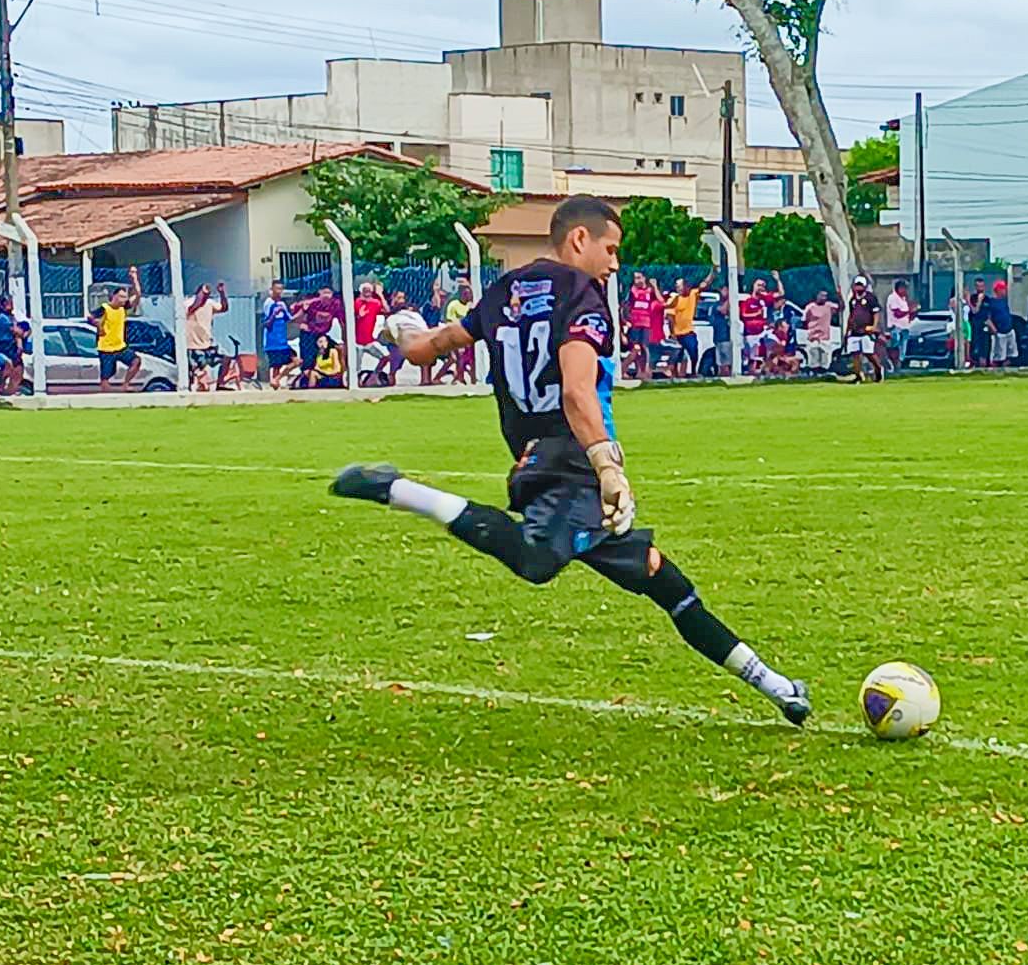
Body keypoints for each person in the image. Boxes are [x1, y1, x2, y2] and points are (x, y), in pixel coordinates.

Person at [330, 195, 811, 727]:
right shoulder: (582, 296)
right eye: (610, 248)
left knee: (659, 577)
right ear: (579, 240)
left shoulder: (506, 289)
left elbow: (432, 346)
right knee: (538, 561)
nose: (615, 263)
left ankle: (779, 687)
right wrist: (609, 468)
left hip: (536, 459)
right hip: (571, 461)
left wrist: (399, 331)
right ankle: (398, 490)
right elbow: (577, 392)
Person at [90, 268, 143, 391]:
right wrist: (99, 327)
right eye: (121, 296)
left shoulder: (122, 309)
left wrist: (134, 278)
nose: (124, 299)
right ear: (113, 296)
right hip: (106, 348)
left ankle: (125, 385)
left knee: (136, 361)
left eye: (125, 297)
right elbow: (90, 317)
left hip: (120, 346)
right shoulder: (105, 308)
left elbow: (138, 294)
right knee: (106, 378)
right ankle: (107, 397)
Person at [185, 282, 230, 391]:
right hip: (194, 345)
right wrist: (203, 295)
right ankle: (199, 384)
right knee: (203, 368)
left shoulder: (209, 303)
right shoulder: (188, 303)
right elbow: (193, 308)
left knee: (225, 360)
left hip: (207, 344)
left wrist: (222, 293)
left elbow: (224, 308)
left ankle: (220, 383)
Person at [666, 270, 712, 377]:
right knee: (677, 355)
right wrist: (672, 333)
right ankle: (674, 374)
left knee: (693, 351)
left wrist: (712, 272)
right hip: (677, 333)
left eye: (680, 286)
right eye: (677, 286)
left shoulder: (692, 294)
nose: (678, 288)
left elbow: (704, 285)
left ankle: (693, 372)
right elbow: (670, 317)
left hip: (688, 331)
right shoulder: (674, 299)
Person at [840, 275, 883, 383]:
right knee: (855, 354)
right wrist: (847, 331)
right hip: (855, 331)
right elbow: (852, 315)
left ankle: (878, 369)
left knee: (869, 353)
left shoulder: (870, 298)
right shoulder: (853, 300)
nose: (858, 288)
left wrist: (873, 326)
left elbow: (876, 313)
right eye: (856, 285)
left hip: (866, 330)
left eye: (860, 285)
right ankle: (858, 375)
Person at [292, 285, 344, 372]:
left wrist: (344, 337)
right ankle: (307, 376)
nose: (326, 295)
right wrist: (301, 322)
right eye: (324, 293)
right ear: (319, 293)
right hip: (309, 333)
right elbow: (294, 314)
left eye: (329, 293)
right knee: (308, 360)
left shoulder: (336, 304)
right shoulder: (312, 303)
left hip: (322, 334)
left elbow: (341, 321)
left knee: (337, 350)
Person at [260, 281, 298, 389]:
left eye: (281, 289)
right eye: (277, 289)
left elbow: (289, 319)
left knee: (296, 361)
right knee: (276, 366)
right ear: (272, 290)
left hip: (283, 341)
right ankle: (275, 387)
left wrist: (300, 312)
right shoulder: (269, 303)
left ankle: (277, 380)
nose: (279, 292)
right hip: (272, 341)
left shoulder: (282, 304)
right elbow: (266, 323)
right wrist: (274, 314)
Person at [623, 272, 656, 379]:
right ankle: (637, 370)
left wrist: (655, 286)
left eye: (638, 278)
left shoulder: (650, 291)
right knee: (635, 347)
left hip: (646, 323)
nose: (636, 281)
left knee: (644, 347)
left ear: (644, 278)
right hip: (635, 324)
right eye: (635, 278)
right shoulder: (632, 291)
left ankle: (645, 369)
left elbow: (660, 301)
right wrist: (627, 320)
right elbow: (625, 306)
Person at [0, 295, 27, 396]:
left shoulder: (10, 316)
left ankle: (11, 389)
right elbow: (17, 331)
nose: (11, 305)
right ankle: (2, 388)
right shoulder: (3, 318)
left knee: (17, 369)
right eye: (9, 303)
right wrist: (25, 331)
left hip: (12, 346)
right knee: (9, 367)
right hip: (7, 346)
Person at [444, 282, 476, 384]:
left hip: (470, 335)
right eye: (465, 294)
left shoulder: (471, 306)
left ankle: (473, 379)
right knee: (460, 354)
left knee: (472, 358)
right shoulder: (453, 305)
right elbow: (450, 321)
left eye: (469, 294)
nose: (468, 296)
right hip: (456, 333)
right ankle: (459, 377)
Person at [802, 289, 838, 371]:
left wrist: (840, 296)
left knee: (825, 358)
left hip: (825, 337)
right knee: (814, 358)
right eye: (822, 295)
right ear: (817, 296)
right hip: (813, 337)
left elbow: (841, 308)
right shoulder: (810, 307)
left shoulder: (829, 306)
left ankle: (824, 373)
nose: (823, 298)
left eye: (825, 296)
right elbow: (804, 321)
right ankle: (814, 373)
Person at [987, 282, 1018, 367]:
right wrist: (994, 329)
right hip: (999, 332)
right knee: (998, 356)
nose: (1005, 291)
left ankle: (1005, 370)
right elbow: (988, 318)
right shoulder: (992, 302)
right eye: (1003, 289)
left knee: (1012, 354)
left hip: (1009, 330)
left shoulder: (1004, 301)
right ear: (998, 290)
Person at [886, 280, 913, 371]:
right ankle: (893, 365)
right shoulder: (893, 297)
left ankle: (899, 366)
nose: (905, 290)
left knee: (903, 349)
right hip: (896, 327)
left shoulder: (903, 299)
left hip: (905, 327)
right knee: (895, 346)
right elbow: (897, 313)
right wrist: (910, 311)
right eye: (904, 288)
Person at [966, 278, 989, 367]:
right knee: (975, 347)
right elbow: (974, 311)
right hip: (974, 327)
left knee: (984, 347)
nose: (980, 288)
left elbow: (988, 314)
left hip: (984, 327)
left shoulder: (987, 299)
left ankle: (984, 364)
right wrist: (977, 301)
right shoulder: (973, 298)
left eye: (982, 286)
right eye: (978, 286)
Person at [709, 294, 732, 377]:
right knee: (723, 362)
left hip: (730, 336)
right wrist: (730, 298)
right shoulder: (716, 305)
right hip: (721, 337)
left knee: (728, 362)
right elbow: (723, 310)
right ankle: (724, 377)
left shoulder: (733, 305)